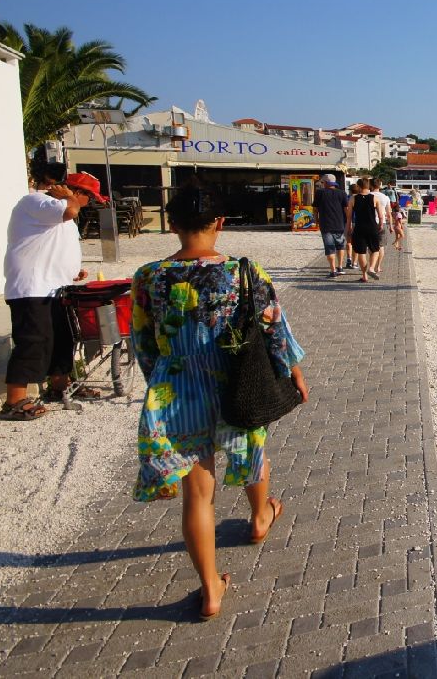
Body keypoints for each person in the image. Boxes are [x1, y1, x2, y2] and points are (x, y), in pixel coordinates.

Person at [129, 183, 308, 620]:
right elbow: (273, 329)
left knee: (197, 492)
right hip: (236, 381)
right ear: (220, 223)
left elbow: (143, 342)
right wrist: (293, 371)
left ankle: (210, 590)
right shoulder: (245, 271)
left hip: (177, 386)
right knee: (251, 449)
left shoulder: (148, 276)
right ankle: (261, 516)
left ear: (172, 225)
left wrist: (161, 379)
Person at [0, 165, 93, 419]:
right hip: (32, 287)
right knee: (33, 341)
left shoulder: (62, 212)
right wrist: (68, 197)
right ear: (73, 190)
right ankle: (14, 400)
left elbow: (53, 246)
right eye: (89, 197)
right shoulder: (36, 201)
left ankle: (58, 386)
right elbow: (70, 209)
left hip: (56, 287)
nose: (89, 203)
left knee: (63, 339)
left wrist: (73, 271)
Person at [345, 180, 382, 282]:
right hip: (372, 226)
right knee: (375, 250)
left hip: (359, 227)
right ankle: (371, 268)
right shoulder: (375, 198)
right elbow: (380, 215)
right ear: (368, 186)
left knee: (361, 252)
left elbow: (349, 217)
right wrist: (381, 225)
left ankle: (364, 275)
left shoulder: (353, 198)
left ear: (359, 186)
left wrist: (349, 229)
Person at [313, 174, 348, 278]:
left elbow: (315, 209)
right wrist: (347, 222)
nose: (322, 185)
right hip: (339, 224)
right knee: (340, 246)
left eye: (323, 183)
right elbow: (346, 209)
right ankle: (340, 266)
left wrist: (316, 220)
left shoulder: (319, 193)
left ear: (326, 183)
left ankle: (333, 270)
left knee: (329, 248)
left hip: (325, 224)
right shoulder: (342, 193)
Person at [369, 178, 391, 275]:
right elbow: (389, 213)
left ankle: (371, 265)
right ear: (380, 186)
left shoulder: (368, 196)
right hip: (382, 223)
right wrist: (391, 226)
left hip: (370, 223)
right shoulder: (385, 197)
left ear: (371, 185)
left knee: (371, 246)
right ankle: (378, 266)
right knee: (381, 246)